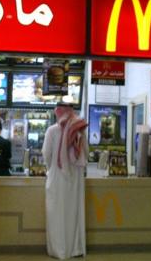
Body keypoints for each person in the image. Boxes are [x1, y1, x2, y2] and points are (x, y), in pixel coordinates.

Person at [42, 102, 88, 260]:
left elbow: (46, 154)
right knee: (73, 213)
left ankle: (59, 250)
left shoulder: (52, 130)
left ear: (58, 112)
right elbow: (85, 155)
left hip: (56, 177)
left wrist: (51, 169)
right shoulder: (80, 130)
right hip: (75, 180)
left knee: (57, 215)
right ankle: (74, 249)